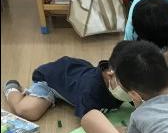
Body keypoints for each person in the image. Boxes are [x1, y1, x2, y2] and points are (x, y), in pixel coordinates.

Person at [2, 46, 131, 122]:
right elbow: (89, 120)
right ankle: (11, 87)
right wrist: (118, 132)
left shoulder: (127, 80)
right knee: (27, 110)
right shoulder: (90, 89)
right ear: (110, 74)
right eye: (128, 89)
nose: (133, 93)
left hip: (75, 72)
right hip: (51, 79)